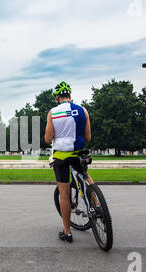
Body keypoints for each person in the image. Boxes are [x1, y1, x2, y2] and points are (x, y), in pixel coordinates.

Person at [44, 81, 93, 243]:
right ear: (70, 96)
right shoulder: (82, 110)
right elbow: (88, 138)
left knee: (64, 194)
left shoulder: (53, 112)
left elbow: (47, 139)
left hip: (62, 156)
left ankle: (67, 232)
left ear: (57, 97)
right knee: (86, 177)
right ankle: (97, 206)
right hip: (78, 152)